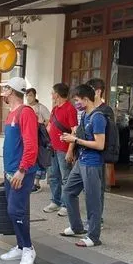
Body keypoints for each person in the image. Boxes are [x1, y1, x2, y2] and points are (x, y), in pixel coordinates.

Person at [0, 77, 39, 264]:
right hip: (10, 172)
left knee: (16, 210)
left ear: (12, 91)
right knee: (12, 210)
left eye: (5, 89)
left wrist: (22, 170)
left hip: (21, 172)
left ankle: (28, 248)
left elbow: (31, 145)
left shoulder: (26, 112)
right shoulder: (12, 113)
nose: (3, 92)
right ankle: (21, 245)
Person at [60, 84, 106, 247]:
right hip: (82, 161)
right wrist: (70, 139)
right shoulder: (85, 116)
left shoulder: (97, 117)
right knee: (68, 192)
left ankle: (93, 237)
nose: (76, 104)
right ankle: (77, 226)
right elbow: (79, 135)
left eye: (77, 100)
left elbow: (100, 144)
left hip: (92, 164)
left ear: (86, 99)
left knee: (92, 200)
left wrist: (76, 141)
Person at [43, 83, 77, 216]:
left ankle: (66, 204)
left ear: (57, 94)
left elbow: (74, 131)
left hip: (64, 149)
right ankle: (55, 201)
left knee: (66, 177)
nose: (51, 95)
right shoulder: (55, 109)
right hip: (52, 148)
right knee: (52, 176)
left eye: (52, 92)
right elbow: (50, 126)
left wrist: (70, 150)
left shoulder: (70, 109)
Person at [26, 88, 50, 194]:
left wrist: (42, 126)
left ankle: (36, 182)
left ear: (35, 96)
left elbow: (49, 119)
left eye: (30, 95)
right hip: (28, 136)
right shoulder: (25, 108)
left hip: (38, 137)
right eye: (27, 95)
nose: (28, 97)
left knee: (38, 158)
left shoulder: (41, 108)